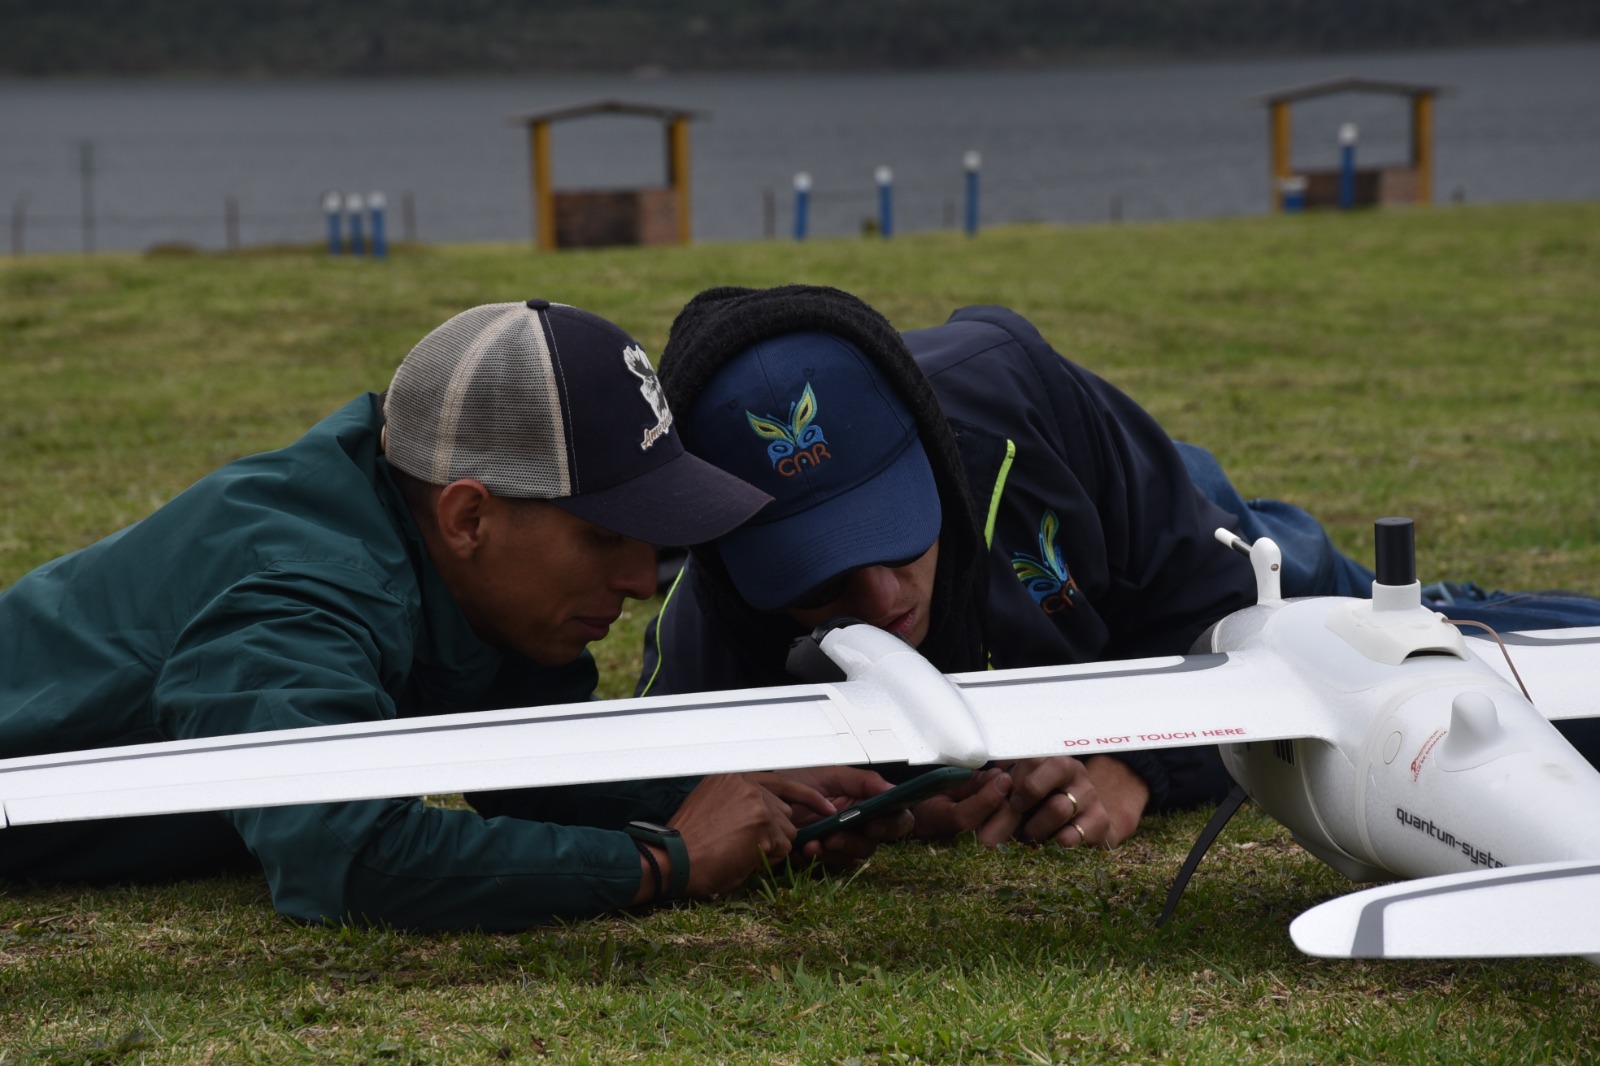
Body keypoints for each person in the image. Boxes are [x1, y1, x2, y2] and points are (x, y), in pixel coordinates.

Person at [0, 298, 893, 931]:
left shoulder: (443, 547)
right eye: (606, 534)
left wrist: (755, 792)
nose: (639, 580)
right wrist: (660, 863)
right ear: (470, 516)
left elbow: (530, 761)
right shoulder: (302, 592)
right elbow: (345, 856)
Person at [636, 284, 1600, 853]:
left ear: (935, 459)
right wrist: (869, 806)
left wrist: (1133, 764)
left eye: (897, 539)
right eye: (823, 583)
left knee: (1367, 617)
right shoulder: (705, 631)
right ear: (734, 562)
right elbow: (671, 793)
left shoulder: (1009, 395)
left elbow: (1217, 607)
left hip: (1156, 525)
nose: (884, 600)